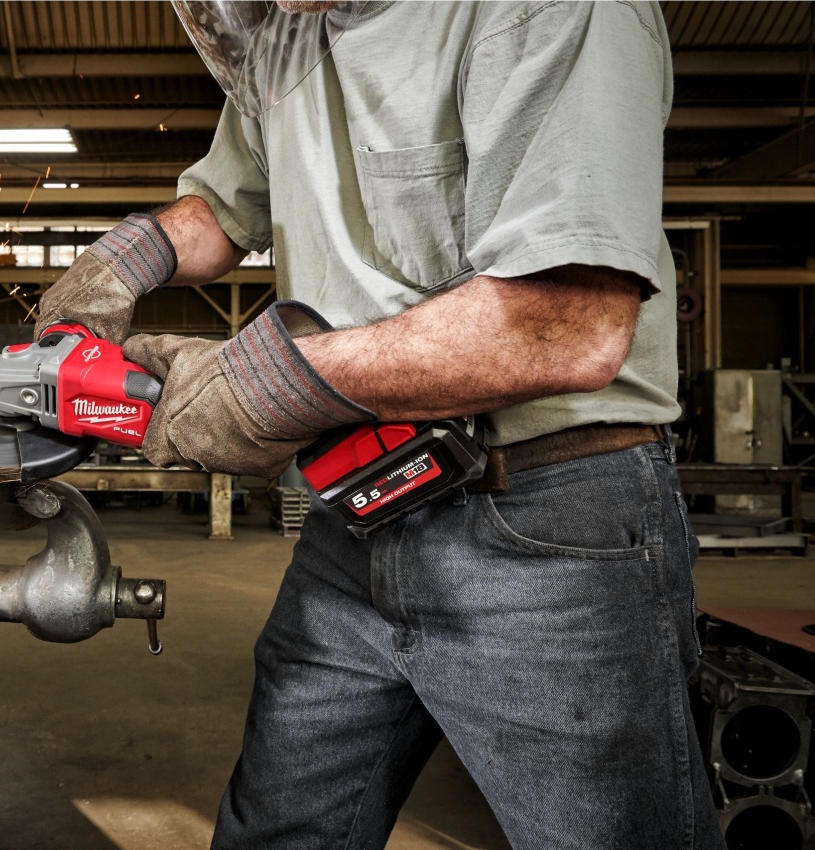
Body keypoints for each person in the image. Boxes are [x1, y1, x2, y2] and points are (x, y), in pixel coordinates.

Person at [36, 2, 725, 847]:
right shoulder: (287, 34)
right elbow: (220, 208)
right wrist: (115, 263)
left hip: (544, 519)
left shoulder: (551, 10)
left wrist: (256, 389)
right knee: (278, 831)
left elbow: (564, 323)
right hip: (357, 511)